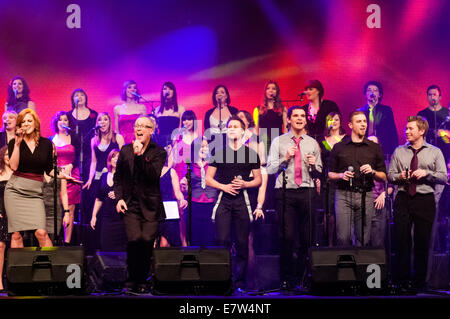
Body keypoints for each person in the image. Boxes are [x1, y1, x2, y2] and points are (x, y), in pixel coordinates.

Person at [266, 105, 322, 291]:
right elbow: (270, 169)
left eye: (303, 116)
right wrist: (285, 159)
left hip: (307, 192)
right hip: (285, 193)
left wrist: (314, 166)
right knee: (287, 237)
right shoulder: (279, 141)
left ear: (306, 120)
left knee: (307, 239)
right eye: (296, 116)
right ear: (289, 119)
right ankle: (286, 279)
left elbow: (320, 171)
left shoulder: (312, 143)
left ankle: (302, 278)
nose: (300, 118)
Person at [388, 116, 447, 291]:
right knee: (402, 240)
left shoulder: (435, 151)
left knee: (422, 241)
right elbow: (390, 175)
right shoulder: (399, 151)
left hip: (424, 199)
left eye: (410, 128)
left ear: (421, 131)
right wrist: (400, 177)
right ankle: (403, 281)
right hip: (404, 197)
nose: (406, 131)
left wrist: (427, 173)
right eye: (406, 128)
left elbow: (443, 177)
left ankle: (420, 282)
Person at [206, 115, 262, 293]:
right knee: (222, 239)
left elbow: (259, 180)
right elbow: (208, 179)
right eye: (229, 126)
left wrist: (246, 184)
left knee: (241, 242)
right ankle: (224, 279)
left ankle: (240, 281)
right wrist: (223, 186)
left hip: (242, 201)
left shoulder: (251, 154)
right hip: (223, 200)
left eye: (236, 126)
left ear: (243, 131)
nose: (232, 129)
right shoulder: (219, 153)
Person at [5, 108, 74, 248]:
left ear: (35, 123)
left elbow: (49, 170)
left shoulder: (46, 144)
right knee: (16, 234)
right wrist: (17, 144)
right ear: (19, 125)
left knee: (42, 232)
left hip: (35, 194)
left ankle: (51, 267)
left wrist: (64, 176)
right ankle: (20, 269)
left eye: (29, 121)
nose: (26, 124)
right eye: (23, 122)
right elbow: (13, 166)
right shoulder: (14, 143)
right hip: (15, 191)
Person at [114, 116, 167, 293]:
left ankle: (142, 279)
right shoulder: (125, 150)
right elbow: (118, 178)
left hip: (151, 206)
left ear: (151, 130)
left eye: (144, 126)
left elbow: (152, 175)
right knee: (134, 240)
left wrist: (140, 155)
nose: (139, 129)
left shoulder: (159, 152)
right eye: (137, 125)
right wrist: (119, 198)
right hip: (131, 205)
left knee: (146, 242)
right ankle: (131, 280)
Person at [328, 111, 387, 247]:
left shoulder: (374, 147)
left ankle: (359, 267)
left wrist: (372, 171)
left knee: (363, 238)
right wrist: (341, 175)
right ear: (350, 125)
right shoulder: (339, 147)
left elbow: (383, 176)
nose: (363, 124)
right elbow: (330, 174)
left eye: (365, 121)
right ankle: (345, 267)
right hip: (343, 194)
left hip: (365, 194)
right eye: (359, 121)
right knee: (343, 237)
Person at [84, 112, 124, 252]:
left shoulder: (117, 137)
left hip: (115, 177)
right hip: (99, 179)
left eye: (105, 119)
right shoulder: (94, 139)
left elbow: (123, 159)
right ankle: (98, 248)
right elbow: (94, 161)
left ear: (109, 122)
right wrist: (90, 178)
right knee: (98, 208)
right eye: (100, 120)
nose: (103, 122)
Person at [49, 111, 81, 245]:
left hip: (71, 176)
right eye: (60, 120)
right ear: (56, 123)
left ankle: (67, 242)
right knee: (55, 208)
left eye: (66, 120)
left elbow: (80, 157)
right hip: (55, 176)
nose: (63, 122)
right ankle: (54, 240)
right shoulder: (50, 139)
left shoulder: (74, 138)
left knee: (70, 209)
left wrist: (71, 165)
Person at [180, 138, 218, 246]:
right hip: (194, 203)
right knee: (195, 235)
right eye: (201, 146)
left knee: (210, 235)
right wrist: (183, 185)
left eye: (206, 146)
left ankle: (209, 260)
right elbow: (185, 184)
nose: (204, 149)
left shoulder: (213, 164)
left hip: (211, 203)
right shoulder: (189, 165)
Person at [90, 149, 127, 252]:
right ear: (110, 160)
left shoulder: (125, 176)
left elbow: (131, 195)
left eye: (118, 157)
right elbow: (98, 198)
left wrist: (118, 194)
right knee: (105, 245)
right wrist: (94, 216)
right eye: (113, 156)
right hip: (107, 218)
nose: (116, 159)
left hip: (121, 218)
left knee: (121, 249)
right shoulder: (104, 176)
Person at [319, 112, 347, 246]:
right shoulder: (322, 139)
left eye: (336, 120)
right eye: (331, 120)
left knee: (341, 213)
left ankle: (341, 242)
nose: (334, 122)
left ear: (341, 122)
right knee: (328, 212)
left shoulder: (346, 139)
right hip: (327, 180)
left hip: (343, 179)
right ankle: (329, 244)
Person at [357, 80, 398, 159]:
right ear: (365, 94)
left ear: (380, 95)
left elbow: (392, 131)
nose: (372, 92)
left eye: (375, 90)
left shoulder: (386, 110)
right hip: (363, 148)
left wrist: (394, 151)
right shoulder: (359, 111)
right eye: (369, 90)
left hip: (382, 149)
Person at [157, 146, 187, 247]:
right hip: (155, 209)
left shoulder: (171, 172)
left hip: (169, 209)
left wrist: (182, 199)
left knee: (167, 243)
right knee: (160, 243)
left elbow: (177, 192)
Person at [66, 88, 98, 183]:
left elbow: (97, 133)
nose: (79, 97)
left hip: (89, 150)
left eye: (82, 95)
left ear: (86, 98)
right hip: (74, 150)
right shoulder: (68, 115)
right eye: (76, 95)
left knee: (88, 175)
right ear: (72, 99)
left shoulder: (94, 114)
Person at [366, 135, 394, 248]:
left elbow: (392, 186)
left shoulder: (385, 164)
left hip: (379, 206)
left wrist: (384, 194)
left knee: (378, 243)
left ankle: (376, 266)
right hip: (363, 205)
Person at [252, 80, 287, 152]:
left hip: (278, 140)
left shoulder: (282, 109)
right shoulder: (258, 110)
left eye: (273, 89)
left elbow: (286, 128)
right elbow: (256, 129)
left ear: (277, 92)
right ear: (265, 92)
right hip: (264, 141)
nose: (271, 90)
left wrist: (285, 142)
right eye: (268, 88)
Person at [114, 80, 147, 145]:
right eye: (129, 87)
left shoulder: (142, 108)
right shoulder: (117, 108)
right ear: (125, 90)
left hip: (138, 142)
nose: (132, 89)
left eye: (134, 88)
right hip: (122, 142)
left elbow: (145, 128)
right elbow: (117, 131)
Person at [154, 82, 185, 148]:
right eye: (165, 89)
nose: (167, 91)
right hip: (160, 141)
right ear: (162, 92)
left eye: (170, 89)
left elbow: (184, 128)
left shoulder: (180, 109)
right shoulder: (157, 110)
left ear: (174, 92)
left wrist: (178, 139)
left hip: (175, 142)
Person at [0, 146, 12, 291]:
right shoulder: (0, 173)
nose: (8, 157)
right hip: (1, 212)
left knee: (15, 245)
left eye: (11, 154)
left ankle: (14, 279)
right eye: (6, 154)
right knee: (1, 246)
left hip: (16, 212)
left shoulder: (18, 173)